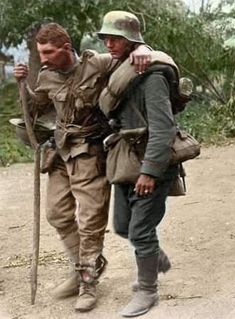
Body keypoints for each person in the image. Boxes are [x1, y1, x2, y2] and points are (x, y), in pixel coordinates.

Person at [13, 23, 151, 312]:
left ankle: (88, 282)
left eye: (48, 52)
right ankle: (84, 268)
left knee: (90, 221)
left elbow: (131, 57)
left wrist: (143, 49)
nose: (44, 58)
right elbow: (37, 107)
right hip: (61, 153)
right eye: (41, 53)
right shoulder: (47, 75)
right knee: (57, 214)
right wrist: (24, 85)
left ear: (67, 48)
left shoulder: (98, 63)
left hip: (90, 152)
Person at [96, 11, 179, 317]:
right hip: (126, 158)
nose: (109, 44)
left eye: (115, 38)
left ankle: (147, 291)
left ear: (132, 40)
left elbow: (164, 129)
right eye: (106, 38)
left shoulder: (152, 76)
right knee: (122, 225)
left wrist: (150, 172)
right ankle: (155, 258)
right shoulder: (120, 66)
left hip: (150, 161)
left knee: (141, 230)